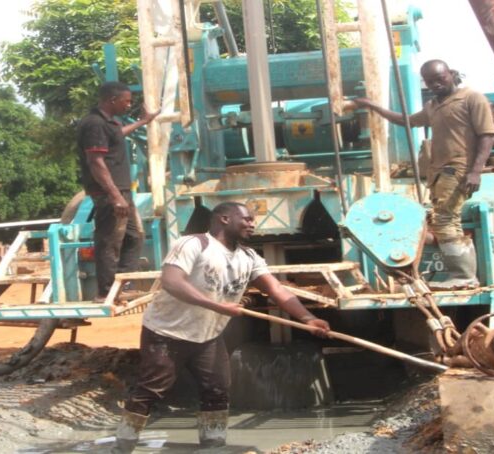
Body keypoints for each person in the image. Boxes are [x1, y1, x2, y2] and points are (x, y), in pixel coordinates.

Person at [113, 202, 331, 452]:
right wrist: (216, 305)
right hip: (166, 333)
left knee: (217, 390)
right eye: (247, 219)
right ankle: (122, 446)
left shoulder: (248, 257)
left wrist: (307, 318)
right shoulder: (194, 244)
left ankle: (213, 446)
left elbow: (276, 290)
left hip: (208, 336)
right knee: (151, 390)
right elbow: (171, 282)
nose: (252, 224)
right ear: (224, 219)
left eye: (252, 220)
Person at [354, 60, 494, 289]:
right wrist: (373, 106)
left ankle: (464, 276)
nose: (436, 84)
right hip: (439, 172)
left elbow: (487, 135)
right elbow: (407, 121)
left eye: (440, 79)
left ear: (451, 74)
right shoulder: (434, 106)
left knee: (445, 220)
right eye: (431, 82)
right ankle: (464, 275)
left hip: (459, 169)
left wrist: (476, 171)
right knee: (447, 221)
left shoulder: (472, 98)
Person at [77, 81, 159, 302]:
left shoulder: (109, 123)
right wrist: (114, 196)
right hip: (109, 194)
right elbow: (95, 162)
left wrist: (143, 121)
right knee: (109, 240)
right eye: (127, 101)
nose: (129, 104)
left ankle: (123, 286)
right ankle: (105, 293)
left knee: (134, 236)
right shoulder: (94, 124)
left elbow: (118, 135)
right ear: (112, 100)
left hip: (122, 191)